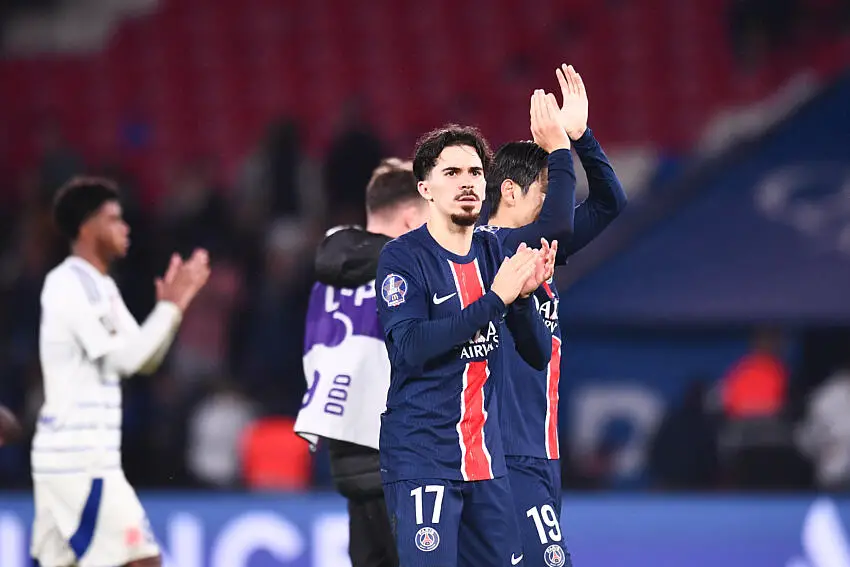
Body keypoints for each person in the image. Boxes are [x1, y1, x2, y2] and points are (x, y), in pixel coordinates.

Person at [376, 124, 556, 566]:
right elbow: (411, 347)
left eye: (476, 172)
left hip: (487, 463)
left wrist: (523, 299)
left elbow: (537, 353)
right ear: (426, 188)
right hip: (423, 458)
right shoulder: (402, 257)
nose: (467, 182)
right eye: (452, 172)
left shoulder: (496, 251)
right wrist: (495, 299)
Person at [480, 64, 628, 567]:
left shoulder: (536, 251)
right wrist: (558, 149)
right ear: (510, 193)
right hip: (505, 452)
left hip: (540, 452)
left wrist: (583, 138)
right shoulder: (488, 249)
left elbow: (610, 203)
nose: (551, 203)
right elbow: (562, 223)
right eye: (544, 190)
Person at [32, 177, 210, 567]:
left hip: (71, 458)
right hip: (81, 458)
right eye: (113, 219)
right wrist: (173, 307)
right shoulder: (73, 284)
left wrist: (171, 310)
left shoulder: (101, 287)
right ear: (86, 228)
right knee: (143, 560)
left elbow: (143, 358)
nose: (124, 227)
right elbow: (127, 359)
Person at [294, 158, 429, 567]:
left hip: (349, 454)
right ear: (410, 218)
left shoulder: (339, 251)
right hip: (398, 452)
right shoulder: (412, 263)